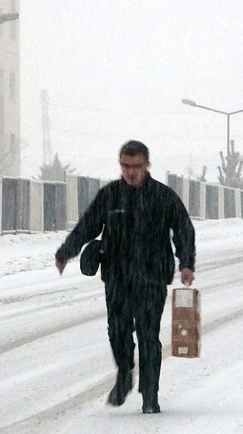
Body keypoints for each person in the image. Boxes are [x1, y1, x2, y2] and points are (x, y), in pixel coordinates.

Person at [55, 140, 196, 414]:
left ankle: (150, 396)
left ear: (147, 165)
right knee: (117, 332)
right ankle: (124, 373)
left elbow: (183, 229)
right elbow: (87, 226)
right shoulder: (110, 196)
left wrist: (186, 263)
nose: (131, 172)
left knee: (148, 334)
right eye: (125, 166)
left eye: (136, 166)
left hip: (152, 276)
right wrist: (65, 253)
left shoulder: (162, 197)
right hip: (118, 276)